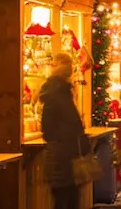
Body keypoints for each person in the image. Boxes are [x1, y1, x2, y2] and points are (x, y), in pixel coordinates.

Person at [40, 53, 89, 209]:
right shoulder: (62, 95)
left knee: (63, 197)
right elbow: (70, 126)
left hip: (60, 155)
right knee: (68, 198)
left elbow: (47, 129)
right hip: (67, 156)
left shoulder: (53, 95)